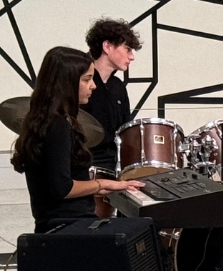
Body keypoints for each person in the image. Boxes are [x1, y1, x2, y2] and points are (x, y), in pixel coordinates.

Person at [11, 46, 143, 233]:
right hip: (66, 226)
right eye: (87, 79)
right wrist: (102, 183)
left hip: (66, 223)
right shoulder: (57, 126)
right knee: (141, 230)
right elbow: (62, 188)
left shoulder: (48, 121)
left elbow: (60, 180)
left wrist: (111, 186)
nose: (93, 86)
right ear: (66, 83)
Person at [84, 17, 142, 174]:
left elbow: (125, 130)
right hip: (85, 166)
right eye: (127, 49)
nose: (132, 57)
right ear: (107, 46)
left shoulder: (118, 86)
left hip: (113, 167)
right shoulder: (79, 83)